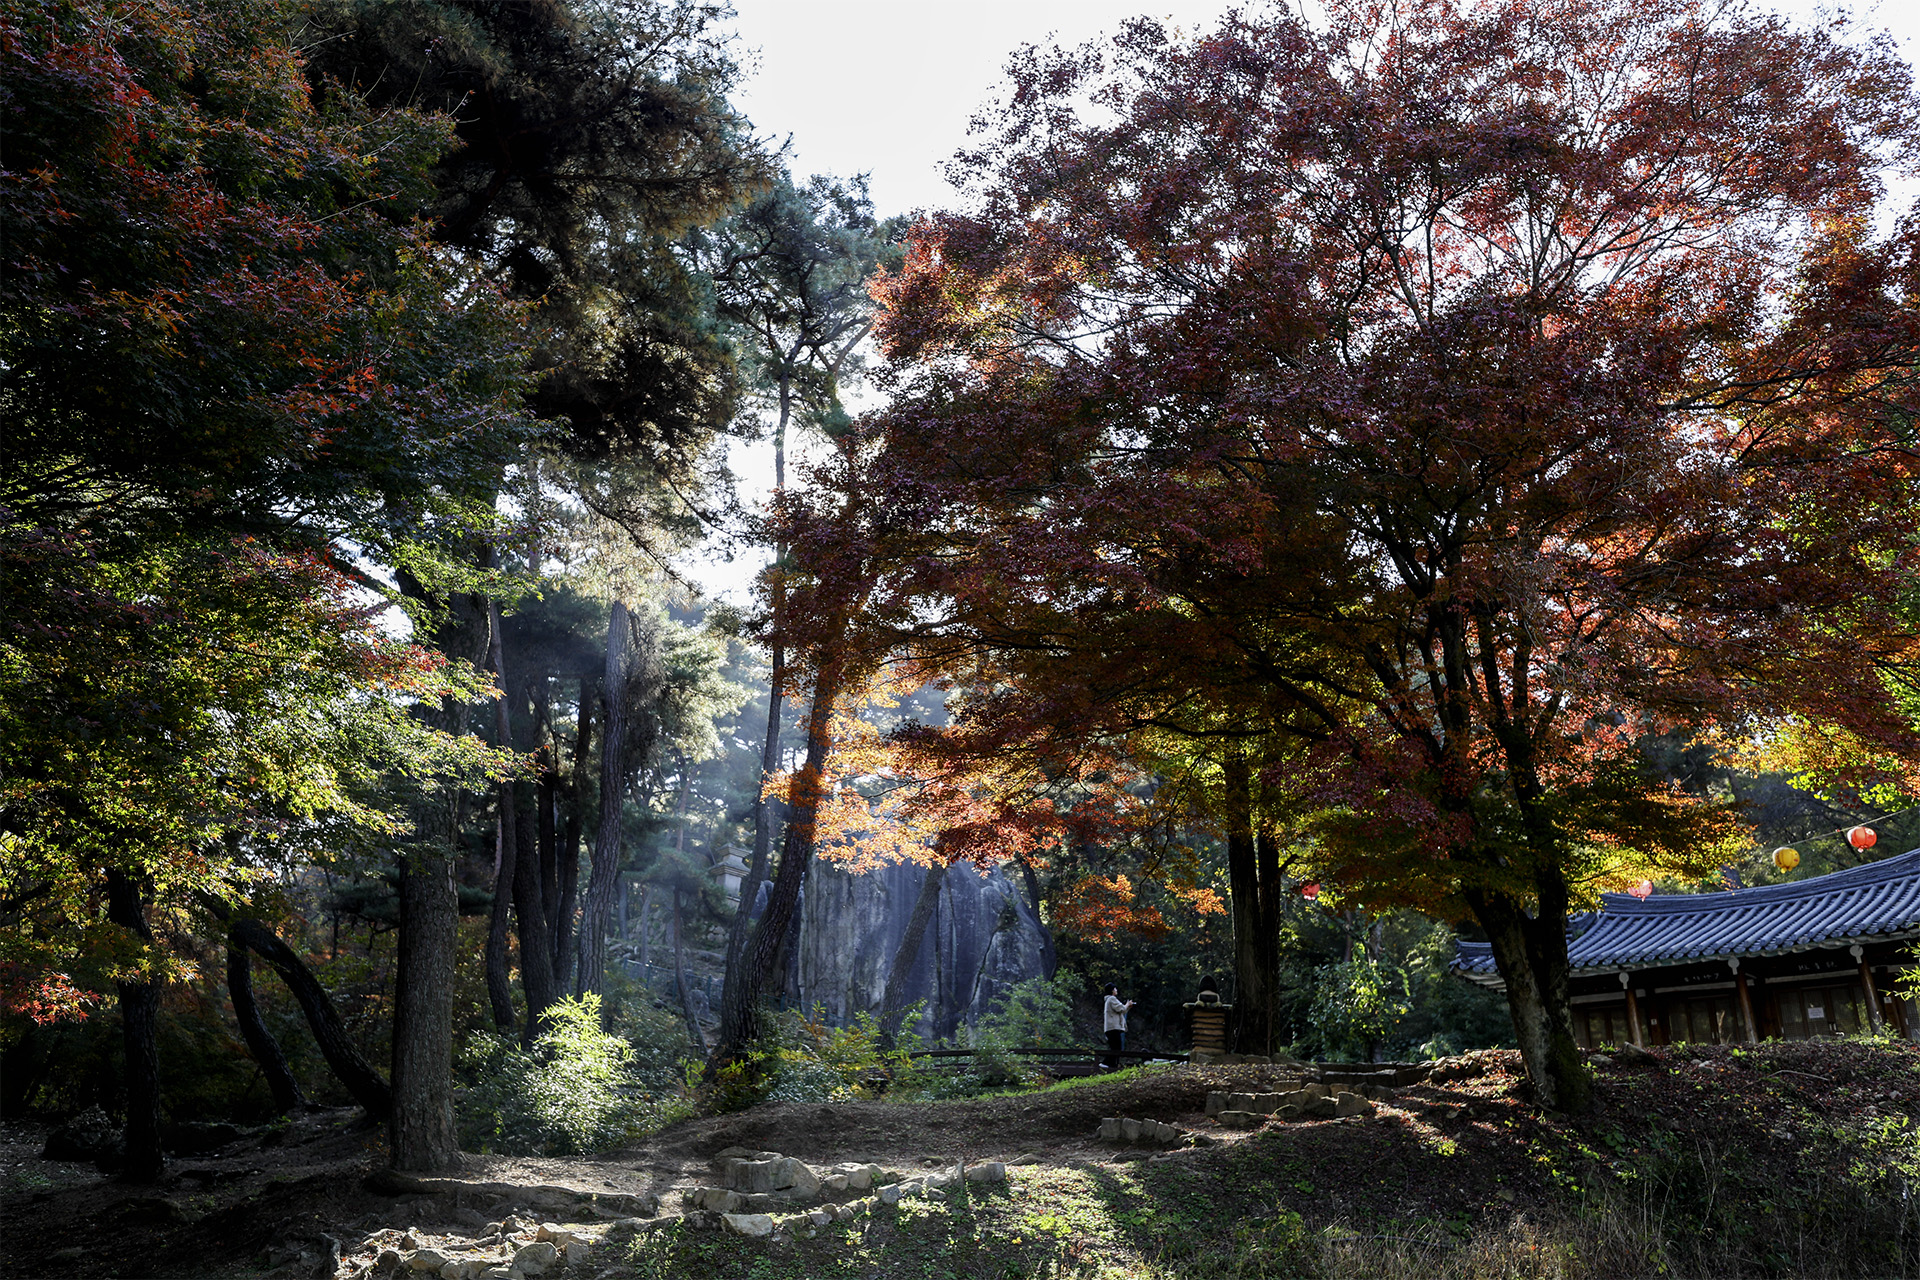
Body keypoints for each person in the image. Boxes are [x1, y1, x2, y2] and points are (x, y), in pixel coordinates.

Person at [1103, 984, 1136, 1070]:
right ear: (1112, 990)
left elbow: (1122, 1011)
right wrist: (1127, 1004)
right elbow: (1121, 1008)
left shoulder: (1109, 1000)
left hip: (1111, 1028)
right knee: (1116, 1048)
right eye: (1115, 988)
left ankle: (1112, 1064)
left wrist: (1128, 1007)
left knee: (1115, 1047)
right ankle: (1106, 1063)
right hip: (1113, 1027)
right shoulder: (1112, 999)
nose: (1116, 990)